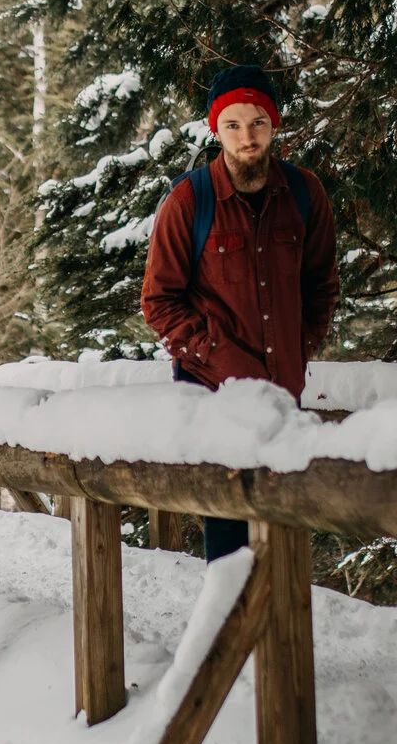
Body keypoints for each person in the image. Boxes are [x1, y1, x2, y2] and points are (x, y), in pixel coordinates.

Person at [140, 63, 340, 560]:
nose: (246, 136)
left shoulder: (304, 194)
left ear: (274, 125)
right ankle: (237, 637)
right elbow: (158, 300)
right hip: (216, 396)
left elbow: (321, 287)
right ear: (216, 129)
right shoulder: (189, 200)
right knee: (230, 546)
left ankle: (280, 637)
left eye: (257, 122)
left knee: (285, 541)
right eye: (233, 124)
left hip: (282, 398)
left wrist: (302, 345)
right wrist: (213, 353)